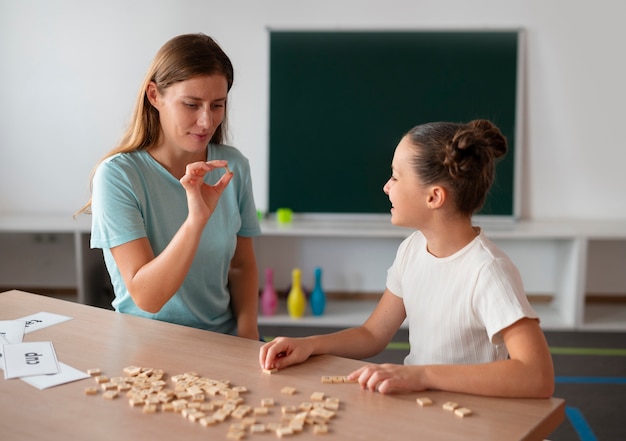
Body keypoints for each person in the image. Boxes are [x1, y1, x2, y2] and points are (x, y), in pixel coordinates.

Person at [259, 120, 555, 398]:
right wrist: (309, 345)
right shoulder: (412, 249)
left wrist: (422, 376)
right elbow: (372, 334)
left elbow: (537, 375)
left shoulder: (489, 271)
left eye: (396, 177)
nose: (386, 186)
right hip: (423, 408)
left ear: (434, 197)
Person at [78, 33, 261, 339]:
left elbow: (242, 265)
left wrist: (248, 336)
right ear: (154, 96)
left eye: (217, 105)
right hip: (146, 344)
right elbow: (147, 298)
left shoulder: (233, 166)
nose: (206, 121)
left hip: (223, 340)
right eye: (191, 104)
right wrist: (196, 220)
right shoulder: (117, 176)